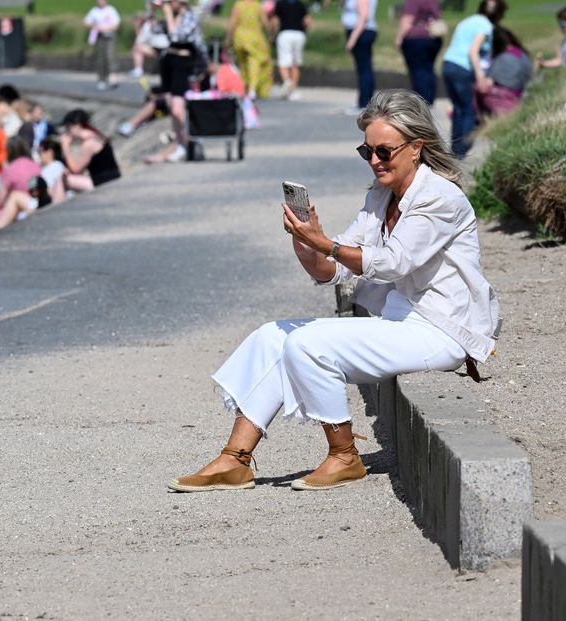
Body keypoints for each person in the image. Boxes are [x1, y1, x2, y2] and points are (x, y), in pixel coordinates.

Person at [168, 89, 501, 494]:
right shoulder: (381, 197)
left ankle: (344, 456)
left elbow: (392, 262)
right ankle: (234, 459)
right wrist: (306, 244)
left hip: (442, 330)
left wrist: (325, 243)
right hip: (401, 321)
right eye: (367, 152)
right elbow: (334, 271)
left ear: (417, 148)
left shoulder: (440, 198)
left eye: (384, 151)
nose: (375, 161)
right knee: (273, 335)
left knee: (308, 343)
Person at [146, 0, 209, 163]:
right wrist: (153, 14)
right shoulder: (171, 16)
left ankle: (189, 142)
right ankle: (181, 144)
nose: (168, 4)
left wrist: (167, 14)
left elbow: (177, 36)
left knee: (177, 109)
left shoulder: (190, 16)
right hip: (169, 61)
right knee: (170, 105)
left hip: (185, 63)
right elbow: (155, 33)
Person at [441, 0, 507, 158]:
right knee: (469, 111)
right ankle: (462, 150)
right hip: (462, 68)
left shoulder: (466, 21)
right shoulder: (485, 25)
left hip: (448, 63)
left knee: (458, 108)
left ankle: (456, 147)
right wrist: (480, 76)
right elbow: (473, 51)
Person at [0, 137, 42, 231]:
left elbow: (0, 201)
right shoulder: (35, 165)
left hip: (19, 210)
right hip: (37, 203)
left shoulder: (10, 169)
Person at [59, 109, 121, 192]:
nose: (67, 132)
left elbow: (76, 170)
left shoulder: (89, 144)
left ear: (77, 126)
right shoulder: (97, 135)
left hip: (105, 182)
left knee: (64, 179)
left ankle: (58, 204)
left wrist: (65, 146)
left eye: (68, 128)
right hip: (112, 177)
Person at [394, 0, 443, 105]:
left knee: (418, 70)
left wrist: (399, 37)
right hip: (434, 38)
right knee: (428, 68)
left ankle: (421, 100)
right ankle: (429, 98)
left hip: (416, 38)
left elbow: (408, 20)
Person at [477, 26, 533, 117]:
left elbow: (487, 84)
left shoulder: (503, 58)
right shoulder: (523, 55)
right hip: (519, 95)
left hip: (504, 98)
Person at [227, 0, 274, 100]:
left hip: (240, 38)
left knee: (242, 64)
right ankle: (253, 88)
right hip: (255, 38)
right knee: (255, 63)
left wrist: (228, 38)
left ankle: (244, 87)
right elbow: (265, 23)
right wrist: (270, 35)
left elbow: (233, 22)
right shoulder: (258, 6)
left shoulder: (238, 5)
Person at [342, 0, 379, 113]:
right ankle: (364, 101)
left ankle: (365, 103)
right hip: (362, 32)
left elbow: (363, 16)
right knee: (364, 68)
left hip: (361, 32)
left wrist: (352, 39)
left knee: (364, 69)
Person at [271, 0, 310, 101]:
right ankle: (294, 90)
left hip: (285, 33)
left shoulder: (280, 3)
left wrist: (273, 34)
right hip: (299, 34)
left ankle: (287, 82)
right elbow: (307, 21)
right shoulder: (300, 4)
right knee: (295, 63)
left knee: (284, 61)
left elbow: (275, 21)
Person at [84, 0, 121, 90]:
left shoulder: (111, 10)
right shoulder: (94, 11)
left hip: (109, 37)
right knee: (100, 58)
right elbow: (86, 22)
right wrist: (95, 25)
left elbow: (116, 25)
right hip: (99, 37)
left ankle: (113, 78)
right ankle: (101, 79)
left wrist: (106, 28)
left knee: (110, 57)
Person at [535, 6, 566, 71]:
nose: (560, 27)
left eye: (563, 25)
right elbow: (560, 60)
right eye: (559, 24)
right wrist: (543, 64)